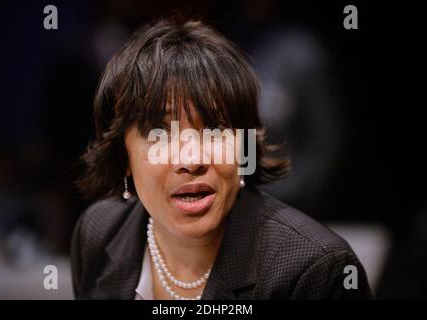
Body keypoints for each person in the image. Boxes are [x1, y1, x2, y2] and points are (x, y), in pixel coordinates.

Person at [71, 16, 372, 300]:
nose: (191, 160)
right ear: (122, 154)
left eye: (214, 129)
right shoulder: (98, 233)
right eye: (159, 132)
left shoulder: (314, 271)